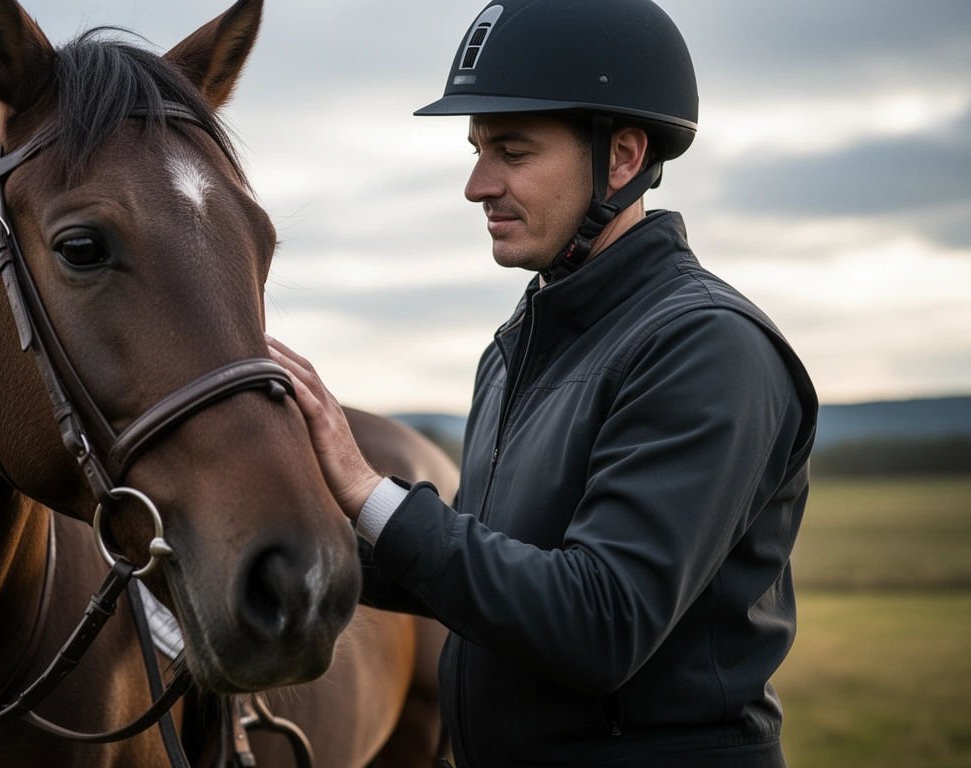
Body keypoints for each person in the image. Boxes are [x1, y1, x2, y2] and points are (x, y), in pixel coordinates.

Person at [267, 1, 819, 766]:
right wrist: (269, 540)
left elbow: (600, 622)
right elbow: (478, 576)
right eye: (476, 150)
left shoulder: (707, 348)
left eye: (512, 152)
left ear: (621, 158)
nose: (476, 184)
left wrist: (368, 491)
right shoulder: (513, 352)